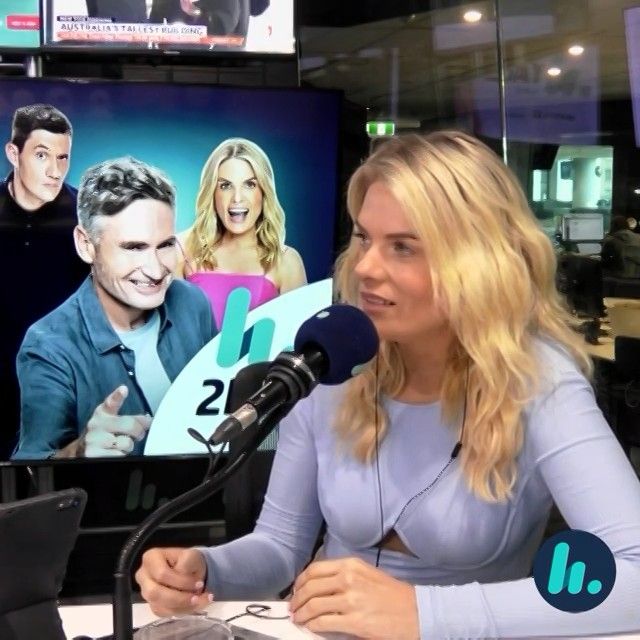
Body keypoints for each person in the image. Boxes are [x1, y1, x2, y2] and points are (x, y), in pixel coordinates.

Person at [135, 132, 640, 638]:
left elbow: (633, 574)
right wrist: (206, 568)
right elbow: (281, 547)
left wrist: (423, 614)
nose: (366, 267)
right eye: (363, 238)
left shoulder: (538, 382)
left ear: (478, 262)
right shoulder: (330, 362)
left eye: (403, 247)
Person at [12, 157, 216, 460]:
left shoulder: (192, 302)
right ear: (86, 245)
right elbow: (30, 469)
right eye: (134, 247)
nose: (156, 270)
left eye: (165, 245)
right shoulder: (49, 345)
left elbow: (220, 402)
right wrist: (77, 453)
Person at [0, 104, 86, 458]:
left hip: (61, 389)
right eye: (41, 155)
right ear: (13, 154)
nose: (55, 171)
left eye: (63, 157)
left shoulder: (85, 220)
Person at [178, 137, 306, 328]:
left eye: (250, 184)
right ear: (212, 192)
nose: (237, 198)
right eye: (225, 186)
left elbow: (296, 339)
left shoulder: (287, 261)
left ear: (264, 192)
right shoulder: (181, 250)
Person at [149, 0, 250, 40]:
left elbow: (223, 27)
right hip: (169, 63)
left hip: (214, 63)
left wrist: (194, 12)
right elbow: (152, 29)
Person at [601, 214, 640, 278]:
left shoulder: (613, 240)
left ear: (614, 226)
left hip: (621, 278)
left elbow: (605, 259)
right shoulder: (638, 237)